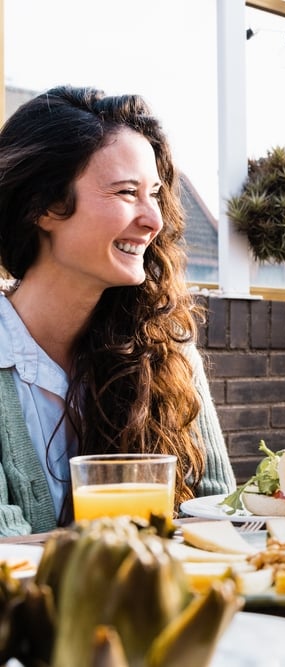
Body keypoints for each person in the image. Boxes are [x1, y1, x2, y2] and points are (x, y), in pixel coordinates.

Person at [0, 85, 236, 535]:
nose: (155, 219)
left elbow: (220, 518)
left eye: (156, 194)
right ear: (45, 205)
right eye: (128, 192)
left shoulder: (165, 349)